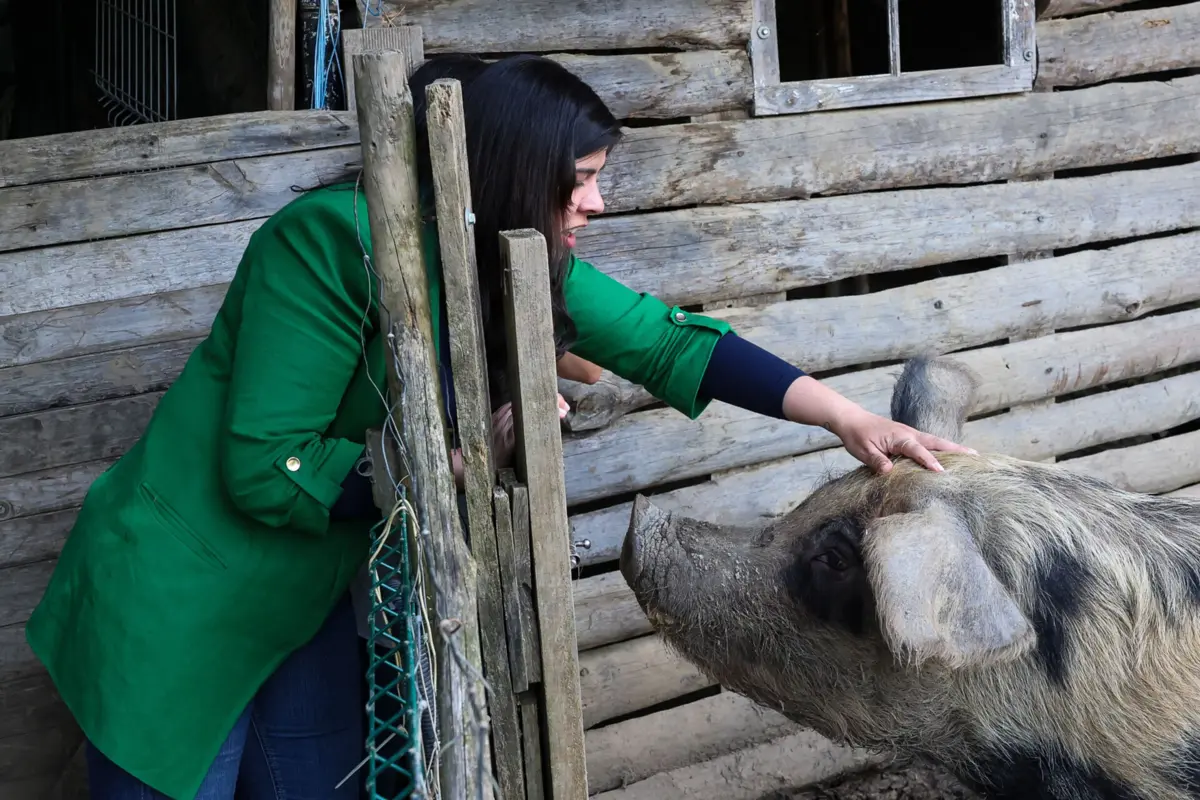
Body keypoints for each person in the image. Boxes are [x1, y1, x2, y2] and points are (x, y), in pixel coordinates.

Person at [24, 53, 974, 800]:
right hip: (184, 594)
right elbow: (266, 471)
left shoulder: (513, 257)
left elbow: (668, 343)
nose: (598, 202)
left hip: (297, 596)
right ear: (518, 169)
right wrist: (457, 459)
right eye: (584, 179)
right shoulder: (324, 245)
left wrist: (846, 418)